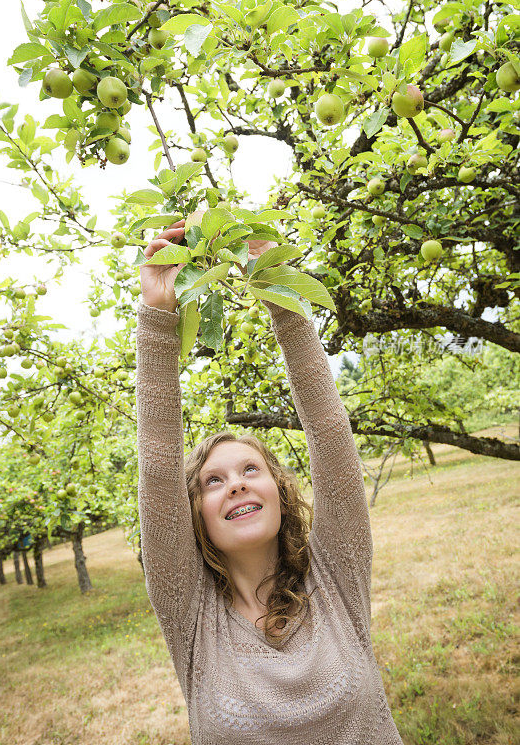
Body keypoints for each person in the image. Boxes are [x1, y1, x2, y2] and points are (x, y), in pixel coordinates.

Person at [136, 217, 404, 744]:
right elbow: (158, 467)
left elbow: (330, 436)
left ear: (280, 495)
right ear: (193, 518)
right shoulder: (189, 610)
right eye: (212, 482)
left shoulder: (336, 575)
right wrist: (157, 320)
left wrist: (280, 293)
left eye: (249, 470)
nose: (235, 484)